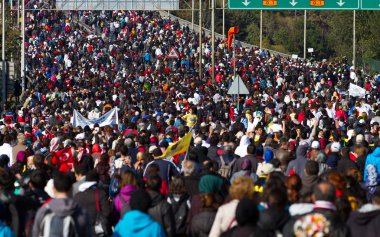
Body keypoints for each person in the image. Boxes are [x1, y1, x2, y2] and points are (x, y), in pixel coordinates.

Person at [32, 172, 91, 237]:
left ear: (53, 189)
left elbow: (36, 233)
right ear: (71, 188)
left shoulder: (44, 211)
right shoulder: (80, 212)